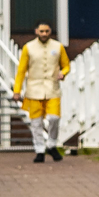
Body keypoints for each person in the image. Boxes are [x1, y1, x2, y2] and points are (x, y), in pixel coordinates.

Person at [15, 23, 70, 163]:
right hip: (34, 89)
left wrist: (63, 73)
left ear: (50, 31)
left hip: (52, 88)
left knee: (54, 118)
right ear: (36, 32)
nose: (44, 34)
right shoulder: (29, 48)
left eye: (46, 31)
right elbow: (21, 70)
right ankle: (39, 149)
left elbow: (66, 65)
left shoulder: (58, 47)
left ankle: (51, 144)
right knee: (36, 122)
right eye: (41, 31)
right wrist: (17, 90)